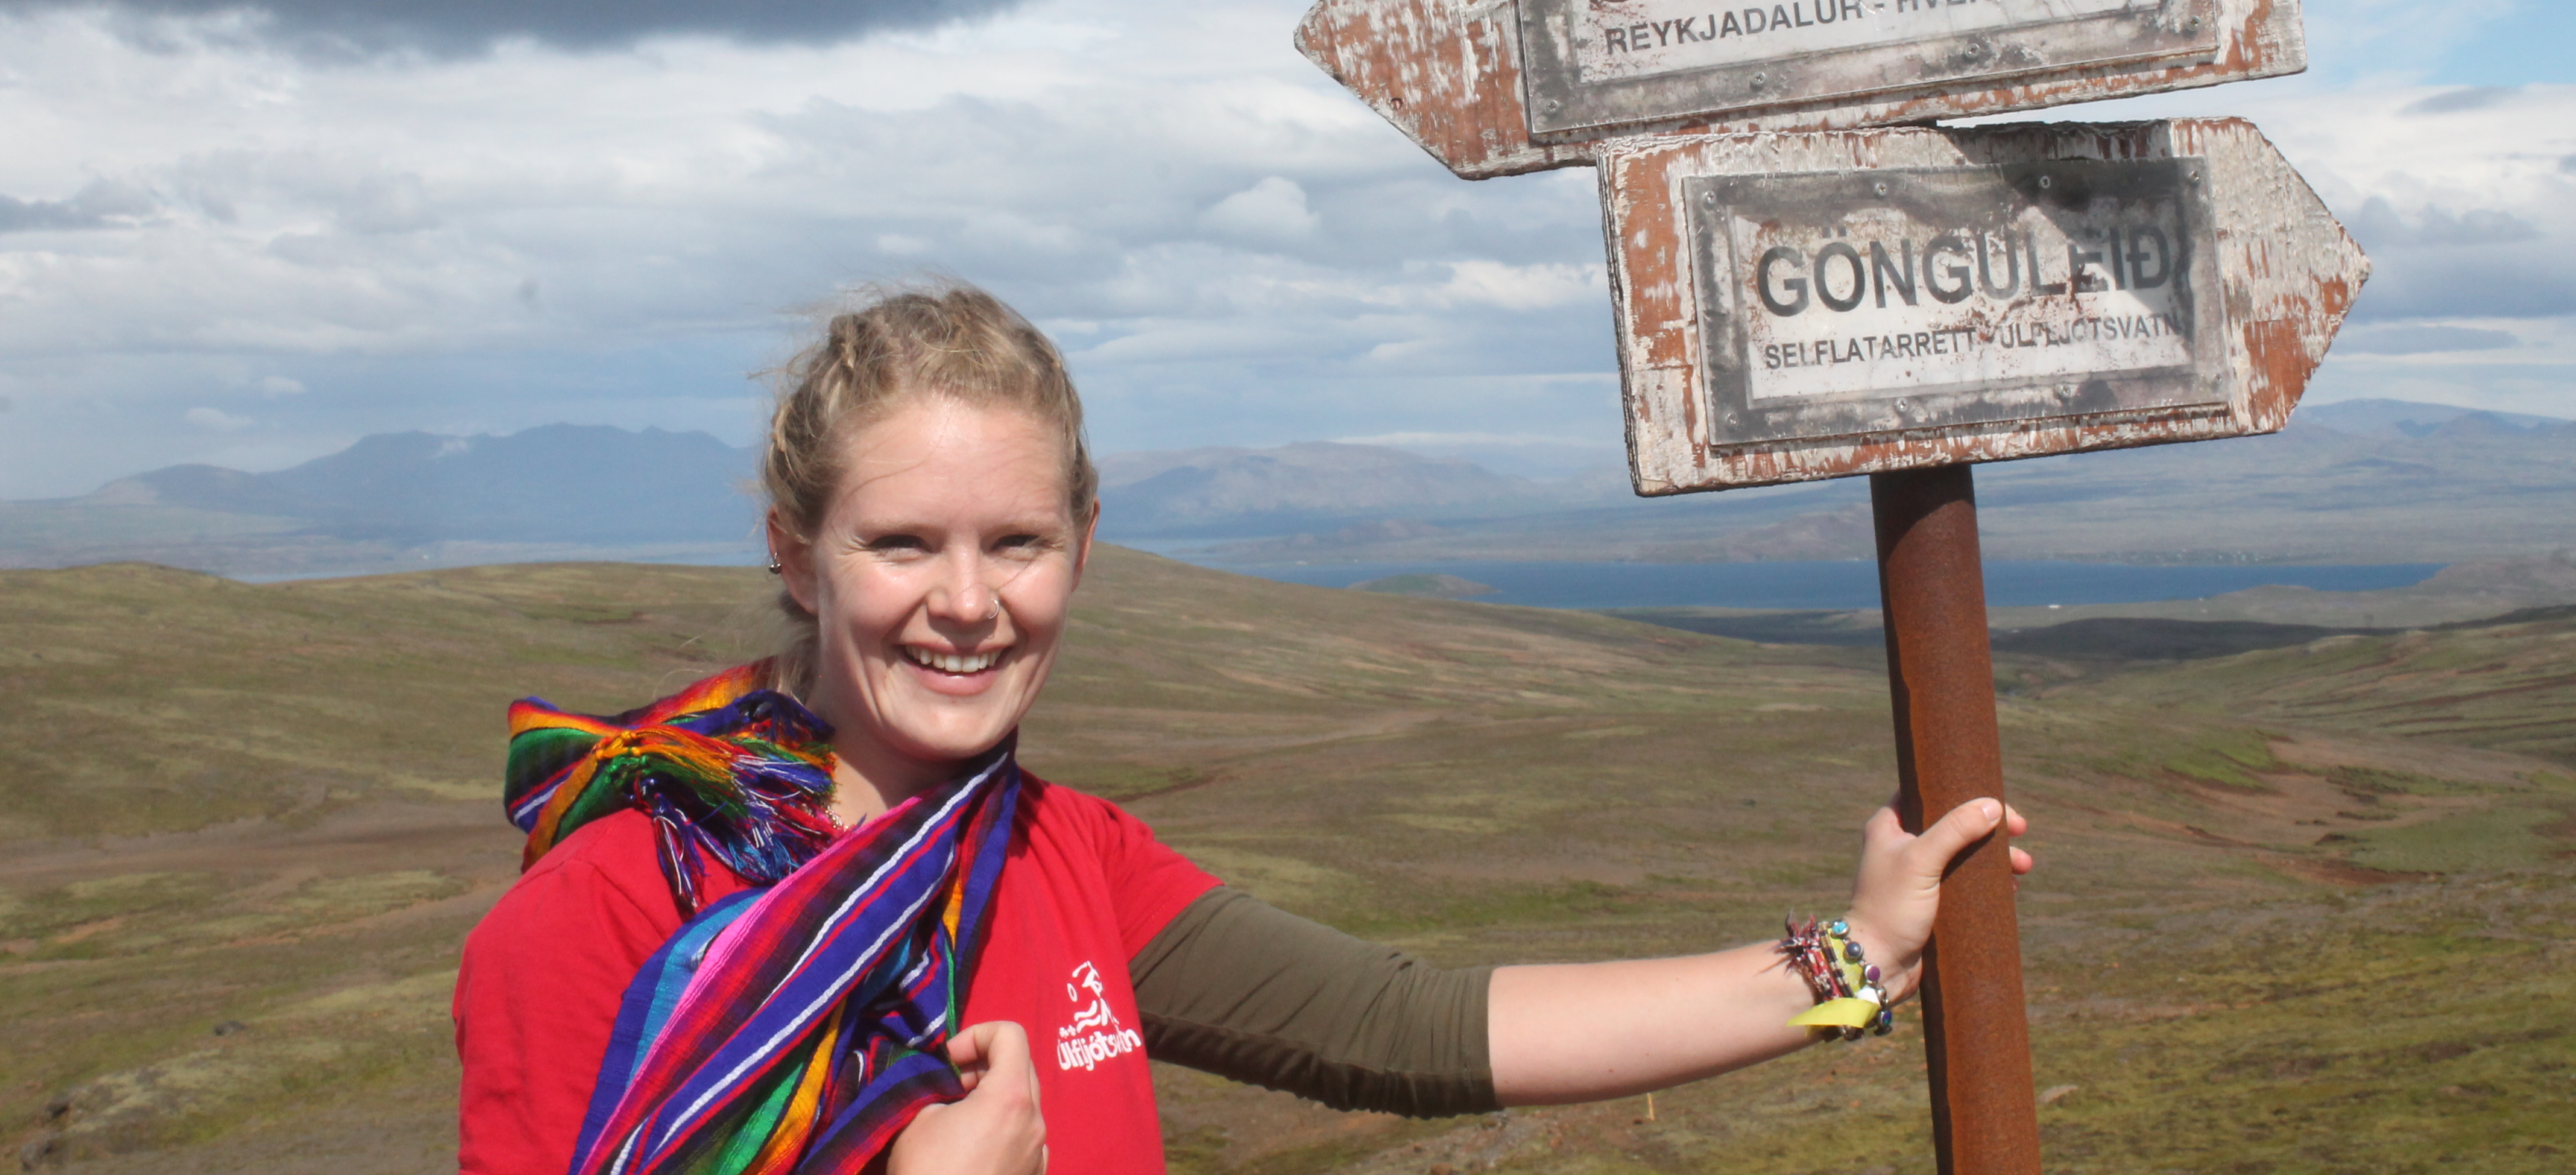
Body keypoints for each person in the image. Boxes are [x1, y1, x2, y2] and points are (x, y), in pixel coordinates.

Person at [453, 282, 2031, 1175]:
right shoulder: (605, 913)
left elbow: (1413, 1029)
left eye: (1017, 543)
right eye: (901, 545)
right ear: (796, 557)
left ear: (1084, 546)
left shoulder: (1065, 855)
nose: (968, 604)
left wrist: (1850, 961)